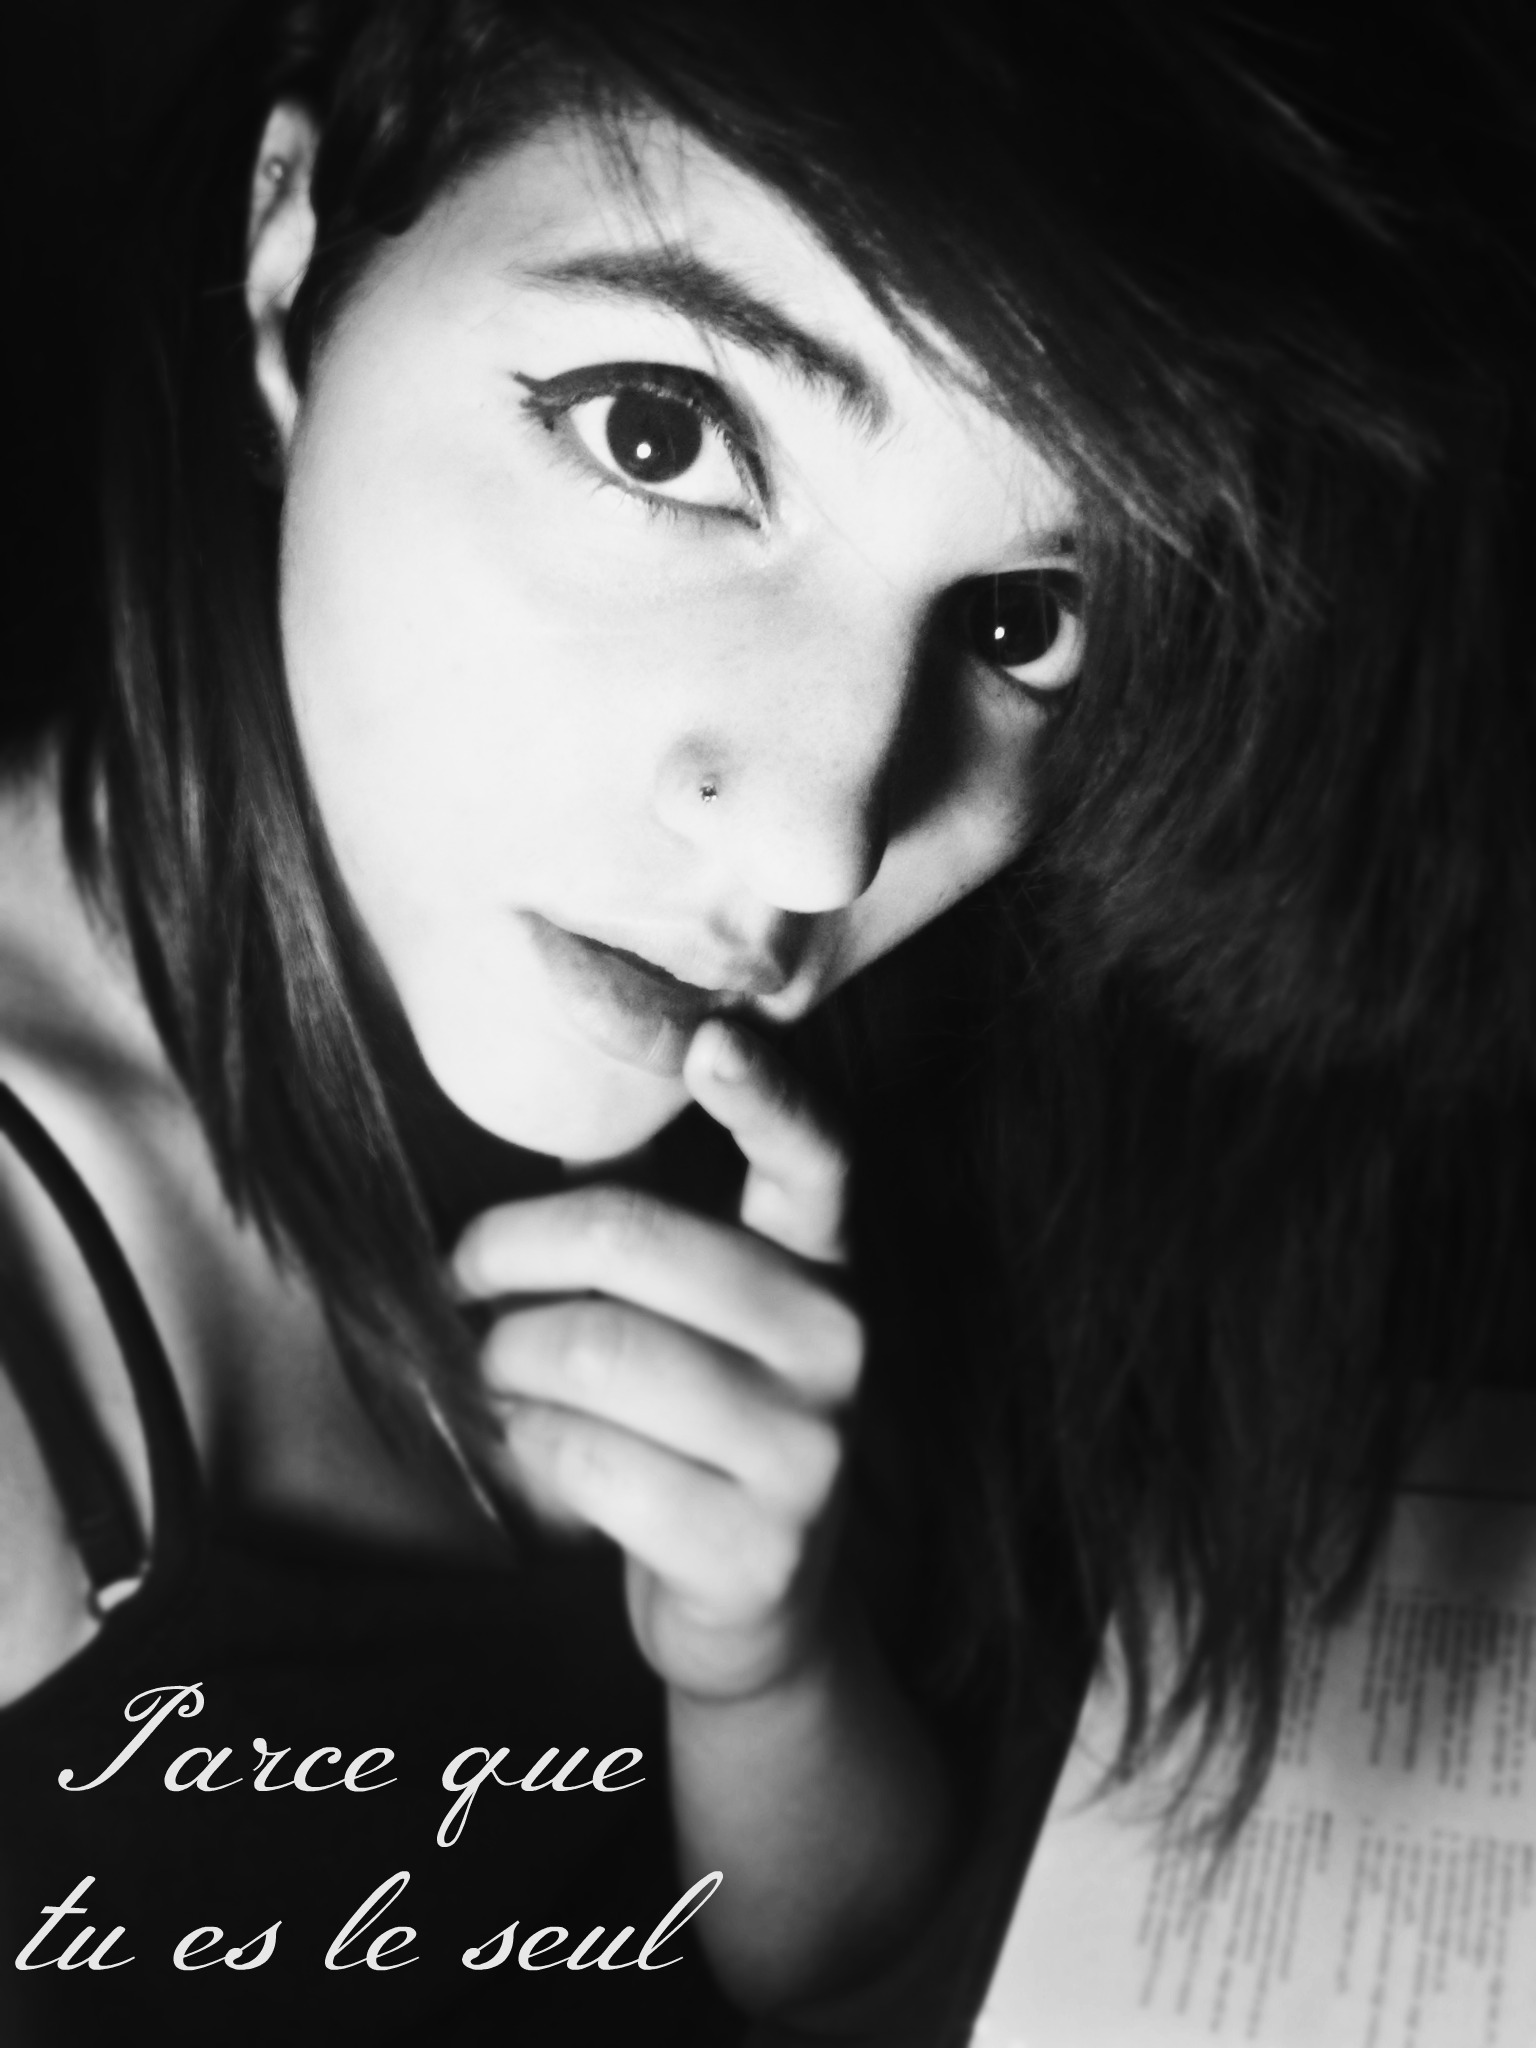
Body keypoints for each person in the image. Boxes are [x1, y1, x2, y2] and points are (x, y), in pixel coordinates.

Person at [1, 1, 1532, 2042]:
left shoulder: (846, 1095)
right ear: (298, 256)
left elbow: (823, 1965)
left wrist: (760, 1657)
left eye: (1025, 621)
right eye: (664, 432)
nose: (823, 839)